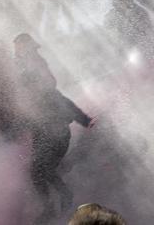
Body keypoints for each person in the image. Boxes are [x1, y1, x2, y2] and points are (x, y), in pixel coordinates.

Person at [14, 33, 95, 223]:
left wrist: (85, 120)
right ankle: (59, 200)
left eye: (19, 48)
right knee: (38, 170)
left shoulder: (47, 92)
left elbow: (64, 101)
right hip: (44, 132)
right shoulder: (34, 92)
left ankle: (55, 203)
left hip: (55, 134)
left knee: (39, 170)